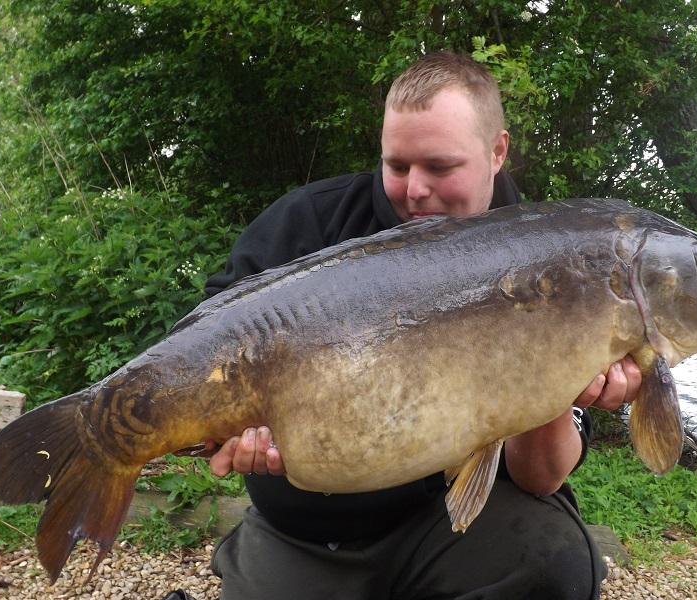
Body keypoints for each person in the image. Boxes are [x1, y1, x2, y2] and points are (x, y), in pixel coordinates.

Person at [183, 51, 641, 600]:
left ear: (497, 151)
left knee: (556, 564)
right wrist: (223, 430)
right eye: (397, 166)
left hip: (447, 527)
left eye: (440, 167)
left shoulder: (559, 263)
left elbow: (540, 478)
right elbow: (195, 352)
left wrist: (554, 377)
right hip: (305, 531)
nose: (414, 190)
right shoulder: (308, 222)